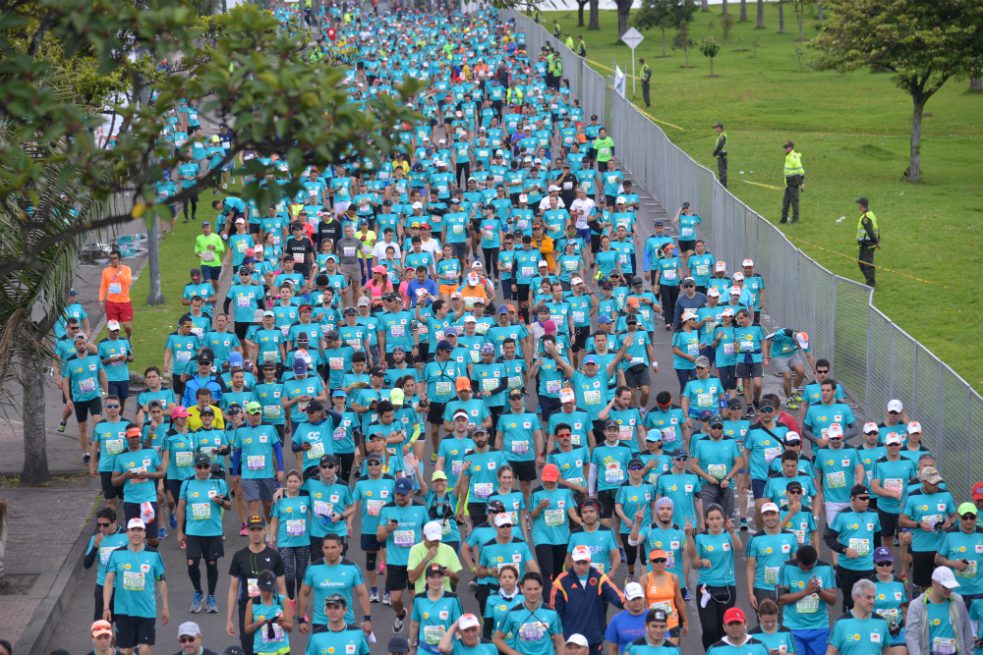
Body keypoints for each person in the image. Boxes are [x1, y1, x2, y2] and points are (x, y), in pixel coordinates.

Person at [103, 518, 169, 655]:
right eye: (133, 530)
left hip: (146, 611)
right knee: (125, 651)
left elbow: (161, 580)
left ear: (145, 533)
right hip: (123, 611)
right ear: (127, 533)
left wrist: (165, 607)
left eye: (139, 530)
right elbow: (109, 581)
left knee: (144, 650)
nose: (136, 533)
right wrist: (106, 607)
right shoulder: (116, 554)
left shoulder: (154, 555)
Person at [176, 453, 230, 614]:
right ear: (195, 468)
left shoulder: (218, 482)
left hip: (213, 531)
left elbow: (229, 505)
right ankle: (199, 592)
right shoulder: (187, 484)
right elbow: (180, 508)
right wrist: (180, 532)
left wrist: (221, 502)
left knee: (211, 563)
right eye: (199, 467)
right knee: (191, 563)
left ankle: (211, 597)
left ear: (210, 467)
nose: (203, 470)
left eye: (206, 466)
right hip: (193, 532)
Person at [226, 516, 287, 655]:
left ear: (264, 531)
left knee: (271, 649)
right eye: (252, 529)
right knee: (249, 649)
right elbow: (233, 589)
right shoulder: (239, 556)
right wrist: (229, 619)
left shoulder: (274, 556)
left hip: (270, 611)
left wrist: (285, 611)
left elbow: (282, 587)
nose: (255, 533)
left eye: (259, 529)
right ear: (247, 531)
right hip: (247, 611)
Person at [550, 545, 625, 652]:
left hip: (594, 638)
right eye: (578, 563)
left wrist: (626, 604)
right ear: (572, 561)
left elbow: (615, 594)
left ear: (590, 561)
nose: (581, 566)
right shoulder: (561, 581)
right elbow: (555, 612)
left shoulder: (599, 577)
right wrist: (556, 635)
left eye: (584, 563)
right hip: (572, 643)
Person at [296, 534, 371, 637]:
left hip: (346, 622)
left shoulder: (352, 568)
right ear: (322, 549)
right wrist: (301, 620)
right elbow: (303, 594)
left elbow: (362, 594)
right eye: (326, 548)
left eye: (333, 547)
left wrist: (367, 619)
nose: (330, 551)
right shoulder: (313, 569)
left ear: (340, 548)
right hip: (321, 623)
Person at [691, 504, 743, 650]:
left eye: (718, 518)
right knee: (709, 629)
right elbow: (694, 563)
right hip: (705, 588)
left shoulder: (728, 534)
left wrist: (733, 532)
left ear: (723, 520)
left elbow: (739, 549)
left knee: (723, 629)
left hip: (727, 587)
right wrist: (701, 562)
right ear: (706, 521)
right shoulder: (701, 537)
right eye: (711, 519)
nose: (714, 522)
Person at [899, 466, 957, 593]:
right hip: (921, 548)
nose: (936, 485)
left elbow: (954, 515)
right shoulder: (913, 497)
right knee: (924, 586)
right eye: (932, 483)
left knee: (944, 585)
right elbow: (902, 520)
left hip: (940, 548)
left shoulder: (945, 494)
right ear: (923, 482)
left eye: (937, 482)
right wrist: (918, 524)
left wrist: (950, 523)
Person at [777, 544, 837, 655]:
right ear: (797, 559)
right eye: (803, 568)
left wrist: (819, 590)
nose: (806, 571)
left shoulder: (826, 568)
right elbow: (781, 599)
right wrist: (805, 592)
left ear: (815, 560)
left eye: (809, 568)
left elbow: (833, 600)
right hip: (793, 628)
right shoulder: (786, 567)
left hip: (819, 628)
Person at [905, 567, 975, 655]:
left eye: (951, 586)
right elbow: (912, 638)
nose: (949, 590)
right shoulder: (917, 605)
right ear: (934, 583)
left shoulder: (958, 601)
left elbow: (967, 632)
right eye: (945, 587)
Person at [494, 572, 566, 655]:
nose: (533, 593)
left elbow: (560, 643)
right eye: (529, 589)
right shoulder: (512, 614)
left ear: (541, 588)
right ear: (522, 589)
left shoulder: (552, 614)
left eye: (536, 589)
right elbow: (497, 639)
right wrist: (514, 653)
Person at [746, 502, 800, 609]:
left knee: (785, 624)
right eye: (766, 515)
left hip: (785, 588)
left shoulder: (791, 536)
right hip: (762, 588)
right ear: (762, 517)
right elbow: (750, 568)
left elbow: (795, 564)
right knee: (764, 624)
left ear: (778, 515)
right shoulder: (754, 539)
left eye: (773, 514)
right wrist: (750, 593)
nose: (770, 518)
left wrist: (795, 587)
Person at [84, 508, 129, 621]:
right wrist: (95, 547)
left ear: (115, 522)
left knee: (123, 630)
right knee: (102, 631)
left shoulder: (126, 537)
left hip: (122, 588)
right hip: (103, 587)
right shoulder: (96, 538)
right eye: (99, 525)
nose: (102, 528)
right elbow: (86, 564)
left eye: (105, 524)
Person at [408, 564, 464, 654]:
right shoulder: (419, 599)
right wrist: (410, 647)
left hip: (448, 650)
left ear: (443, 578)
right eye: (432, 577)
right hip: (425, 650)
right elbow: (414, 624)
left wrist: (461, 648)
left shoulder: (453, 599)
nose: (436, 580)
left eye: (439, 577)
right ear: (426, 579)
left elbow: (460, 626)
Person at [936, 501, 983, 606]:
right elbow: (937, 559)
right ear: (959, 517)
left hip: (980, 591)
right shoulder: (949, 535)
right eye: (965, 517)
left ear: (977, 517)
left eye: (972, 517)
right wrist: (953, 564)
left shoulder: (982, 534)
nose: (969, 521)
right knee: (958, 622)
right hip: (956, 591)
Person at [827, 579, 891, 655]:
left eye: (874, 597)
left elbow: (887, 650)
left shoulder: (882, 622)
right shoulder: (841, 623)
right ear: (856, 598)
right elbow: (830, 652)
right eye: (868, 597)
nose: (872, 601)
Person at [303, 594, 370, 655]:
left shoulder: (358, 633)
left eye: (336, 607)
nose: (332, 611)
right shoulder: (316, 636)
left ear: (345, 610)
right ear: (326, 611)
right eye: (329, 608)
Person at [243, 572, 292, 655]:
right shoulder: (252, 603)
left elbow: (290, 628)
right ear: (259, 587)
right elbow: (247, 629)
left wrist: (281, 623)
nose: (266, 593)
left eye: (269, 590)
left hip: (282, 650)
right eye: (264, 589)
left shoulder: (283, 601)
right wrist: (257, 624)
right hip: (262, 651)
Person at [871, 547, 909, 654]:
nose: (885, 567)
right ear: (874, 564)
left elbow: (905, 608)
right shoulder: (869, 584)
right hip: (875, 631)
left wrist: (907, 630)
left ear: (892, 564)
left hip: (896, 632)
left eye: (888, 563)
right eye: (880, 563)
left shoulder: (900, 583)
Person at [606, 582, 649, 654]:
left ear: (644, 597)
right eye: (633, 599)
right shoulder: (616, 621)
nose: (637, 602)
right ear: (625, 599)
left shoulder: (654, 617)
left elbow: (665, 644)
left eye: (639, 598)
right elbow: (612, 649)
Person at [99, 249, 135, 338]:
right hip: (111, 303)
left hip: (124, 302)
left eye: (115, 258)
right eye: (111, 259)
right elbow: (103, 286)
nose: (113, 261)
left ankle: (129, 337)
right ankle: (117, 344)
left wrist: (119, 272)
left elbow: (128, 282)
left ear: (119, 259)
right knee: (113, 329)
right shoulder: (106, 271)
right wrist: (100, 300)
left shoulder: (126, 269)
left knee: (127, 327)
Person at [855, 197, 880, 287]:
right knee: (861, 262)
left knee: (867, 264)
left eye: (858, 204)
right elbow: (877, 228)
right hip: (865, 244)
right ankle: (869, 280)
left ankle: (870, 284)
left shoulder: (866, 218)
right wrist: (878, 240)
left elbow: (870, 231)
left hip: (867, 244)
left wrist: (876, 242)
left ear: (861, 205)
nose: (857, 206)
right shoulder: (870, 214)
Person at [780, 142, 804, 224]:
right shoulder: (788, 157)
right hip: (788, 182)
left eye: (786, 147)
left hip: (793, 182)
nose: (784, 149)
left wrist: (802, 181)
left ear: (790, 148)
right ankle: (784, 218)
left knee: (794, 201)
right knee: (786, 201)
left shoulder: (794, 157)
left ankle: (795, 219)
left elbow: (800, 170)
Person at [712, 123, 728, 188]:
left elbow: (720, 145)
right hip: (722, 155)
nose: (715, 129)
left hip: (721, 155)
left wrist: (714, 153)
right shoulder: (720, 135)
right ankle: (723, 185)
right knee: (722, 171)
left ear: (719, 128)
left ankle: (723, 187)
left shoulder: (722, 136)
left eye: (716, 128)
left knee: (722, 172)